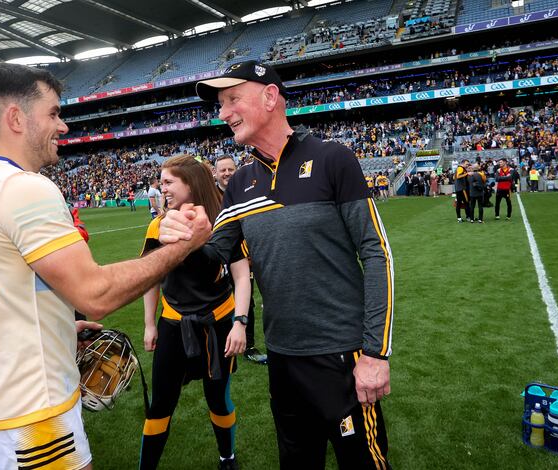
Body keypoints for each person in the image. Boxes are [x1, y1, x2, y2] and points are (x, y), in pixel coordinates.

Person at [0, 63, 211, 469]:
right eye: (53, 113)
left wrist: (54, 325)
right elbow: (96, 294)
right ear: (16, 118)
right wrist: (182, 246)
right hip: (35, 409)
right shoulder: (25, 188)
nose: (64, 126)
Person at [161, 60, 394, 470]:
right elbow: (215, 261)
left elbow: (376, 254)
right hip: (283, 358)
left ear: (270, 97)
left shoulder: (332, 159)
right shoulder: (239, 182)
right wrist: (183, 243)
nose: (222, 113)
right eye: (220, 104)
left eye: (232, 99)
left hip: (343, 356)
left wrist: (375, 353)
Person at [141, 155, 250, 470]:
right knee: (161, 403)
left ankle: (227, 458)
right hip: (174, 323)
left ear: (190, 183)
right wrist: (150, 324)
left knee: (218, 397)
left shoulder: (224, 222)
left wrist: (240, 323)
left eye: (168, 182)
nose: (162, 189)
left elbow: (242, 276)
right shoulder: (158, 225)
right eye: (161, 183)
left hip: (219, 324)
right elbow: (150, 277)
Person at [214, 154, 266, 364]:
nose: (227, 173)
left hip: (246, 260)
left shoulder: (247, 193)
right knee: (217, 301)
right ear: (215, 173)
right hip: (218, 262)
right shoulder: (211, 198)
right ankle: (219, 344)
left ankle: (248, 345)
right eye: (223, 170)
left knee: (247, 302)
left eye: (230, 169)